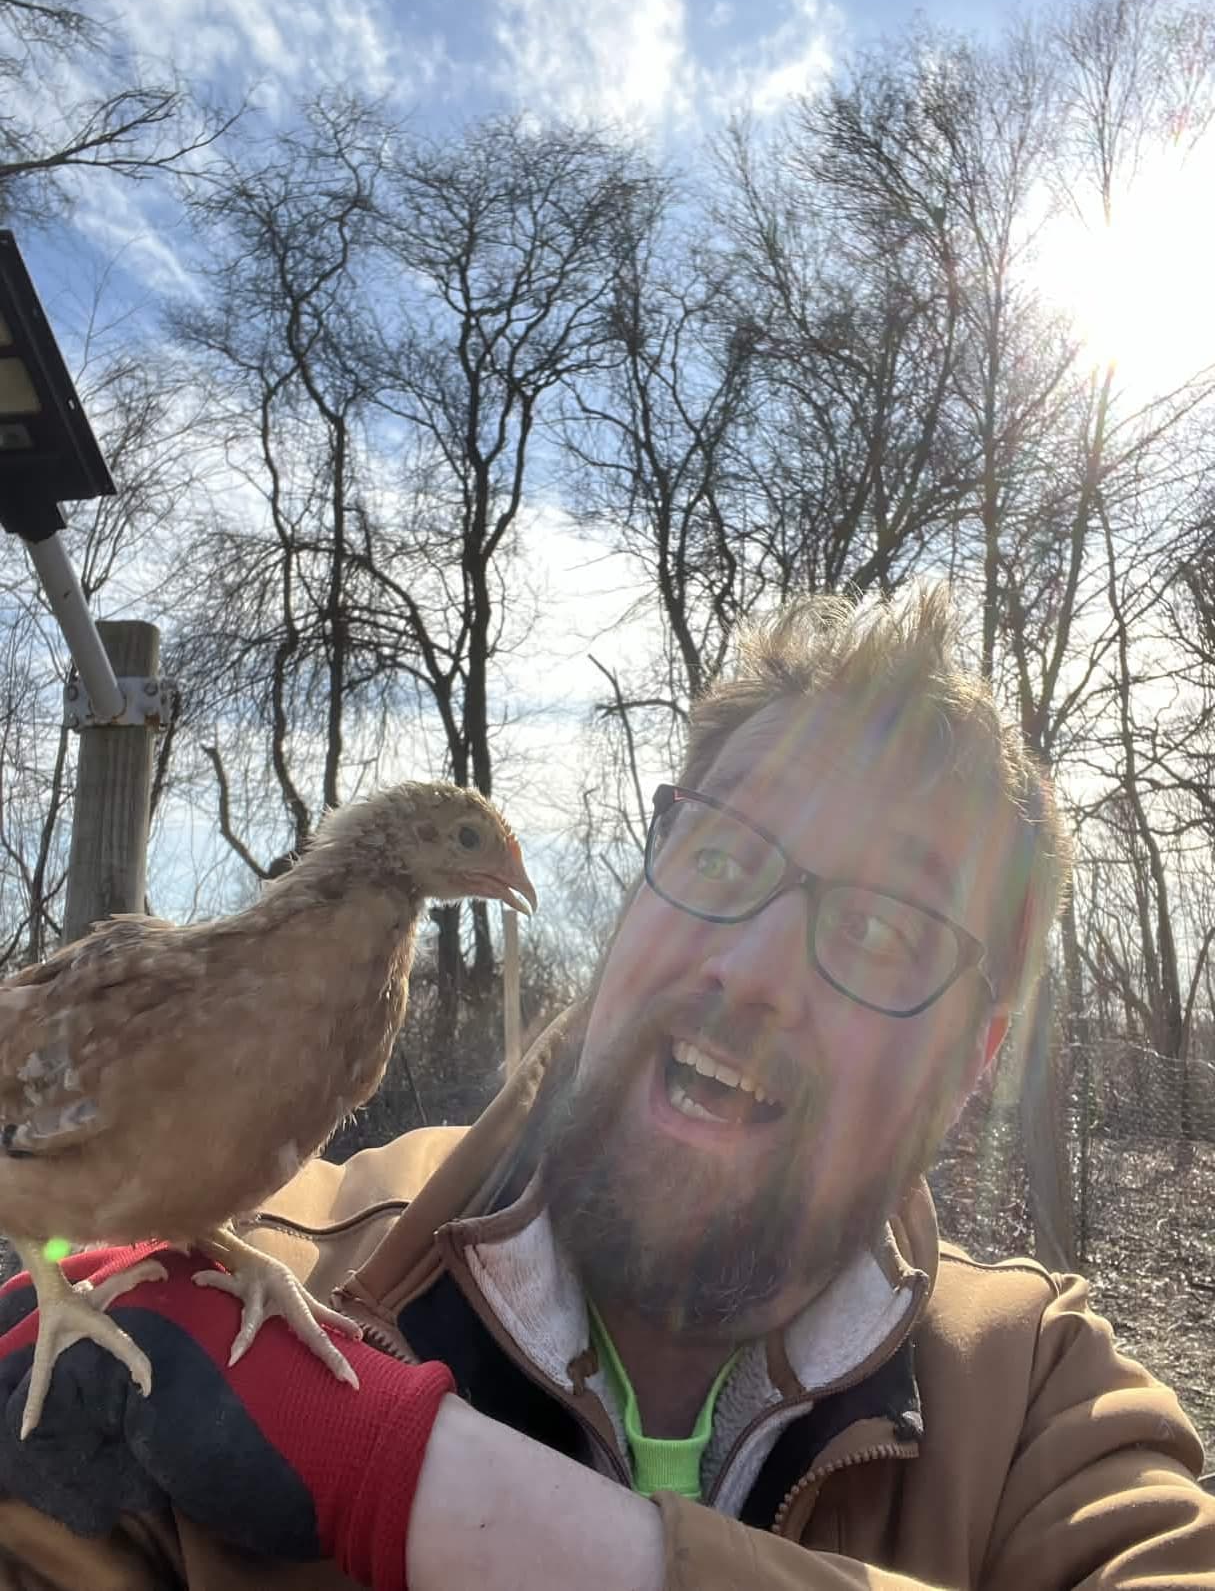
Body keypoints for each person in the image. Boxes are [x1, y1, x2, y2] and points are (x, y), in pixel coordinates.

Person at [0, 585, 1210, 1591]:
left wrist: (416, 1481)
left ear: (974, 1062)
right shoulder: (263, 1272)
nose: (752, 969)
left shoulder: (1038, 1408)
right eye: (724, 859)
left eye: (887, 933)